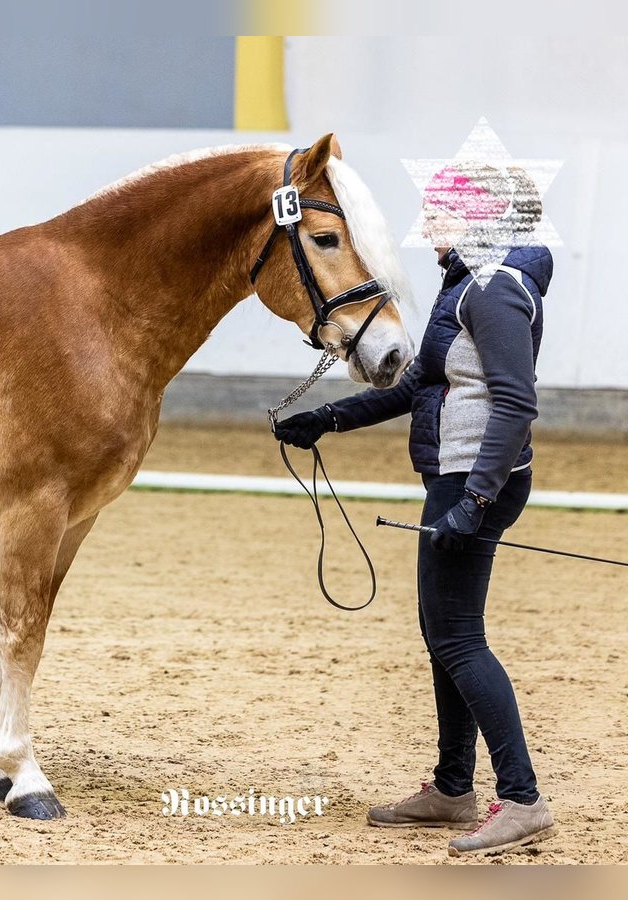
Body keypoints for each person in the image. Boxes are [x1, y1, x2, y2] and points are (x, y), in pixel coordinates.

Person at [274, 162, 556, 857]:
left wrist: (478, 499)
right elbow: (422, 385)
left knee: (458, 636)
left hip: (473, 481)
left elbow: (517, 403)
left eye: (440, 212)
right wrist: (331, 418)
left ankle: (521, 798)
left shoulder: (492, 292)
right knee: (445, 634)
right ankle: (453, 788)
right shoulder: (464, 284)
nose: (426, 223)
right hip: (456, 476)